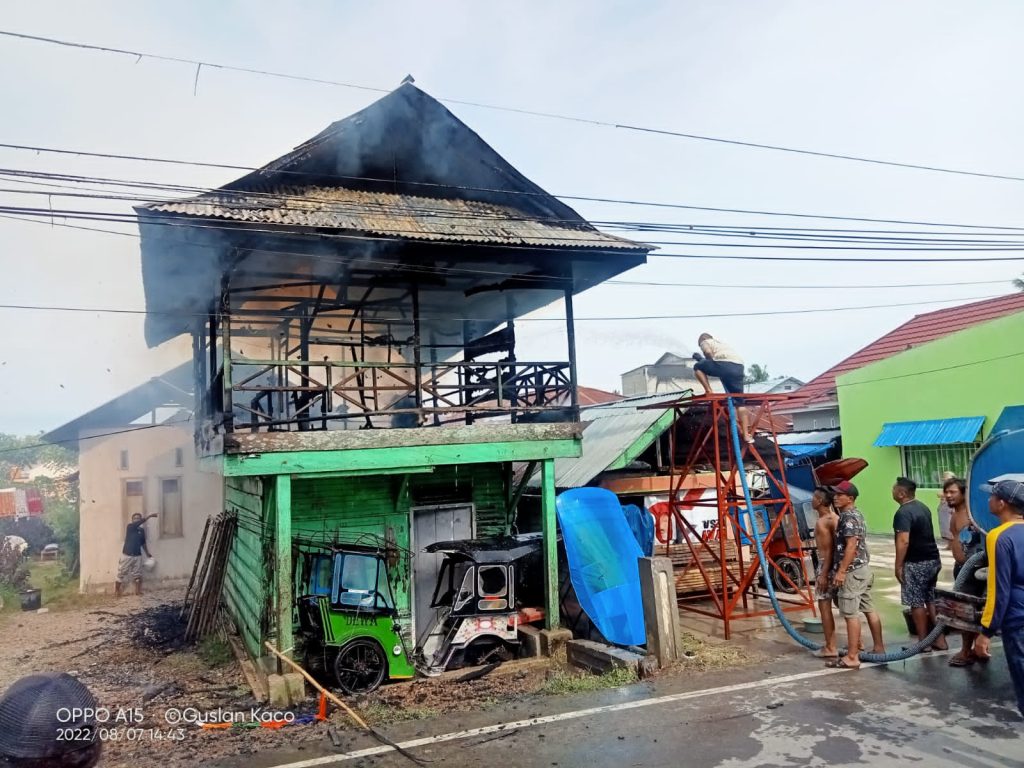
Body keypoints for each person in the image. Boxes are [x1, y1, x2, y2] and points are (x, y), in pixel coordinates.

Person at [974, 479, 1024, 719]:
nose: (989, 500)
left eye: (992, 497)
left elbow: (998, 589)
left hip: (1017, 620)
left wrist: (986, 631)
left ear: (1002, 504)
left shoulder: (998, 536)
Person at [828, 481, 885, 668]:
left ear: (850, 498)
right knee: (868, 608)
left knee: (850, 613)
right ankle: (878, 647)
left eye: (839, 494)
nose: (835, 497)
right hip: (863, 569)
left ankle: (852, 657)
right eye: (835, 494)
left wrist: (842, 571)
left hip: (853, 572)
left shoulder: (848, 518)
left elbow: (851, 545)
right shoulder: (855, 514)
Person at [892, 477, 947, 651]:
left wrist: (898, 565)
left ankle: (923, 642)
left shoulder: (903, 513)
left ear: (901, 493)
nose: (892, 492)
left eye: (894, 489)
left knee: (916, 602)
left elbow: (903, 541)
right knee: (930, 599)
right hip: (933, 559)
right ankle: (940, 639)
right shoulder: (923, 507)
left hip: (916, 562)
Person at [946, 476, 989, 667]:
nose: (948, 496)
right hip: (962, 569)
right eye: (946, 492)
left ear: (964, 493)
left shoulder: (974, 515)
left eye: (952, 492)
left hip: (976, 570)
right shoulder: (954, 514)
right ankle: (967, 649)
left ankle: (971, 650)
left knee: (974, 612)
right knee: (964, 612)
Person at [691, 333, 753, 443]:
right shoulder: (722, 344)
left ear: (703, 339)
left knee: (697, 367)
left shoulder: (705, 341)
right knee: (740, 403)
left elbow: (708, 353)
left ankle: (708, 390)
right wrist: (705, 360)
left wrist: (703, 360)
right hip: (738, 368)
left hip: (725, 366)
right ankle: (746, 434)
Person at [812, 486, 839, 659]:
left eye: (814, 497)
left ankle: (830, 646)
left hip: (825, 565)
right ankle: (857, 643)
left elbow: (829, 550)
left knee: (824, 606)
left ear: (821, 501)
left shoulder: (823, 522)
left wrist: (823, 573)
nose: (811, 500)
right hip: (836, 566)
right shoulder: (836, 518)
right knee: (846, 607)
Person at [115, 512, 157, 596]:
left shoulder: (141, 531)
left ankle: (137, 591)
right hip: (127, 555)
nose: (137, 519)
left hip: (137, 555)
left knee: (137, 574)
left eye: (138, 518)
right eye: (135, 518)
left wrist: (147, 553)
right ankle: (116, 591)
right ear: (132, 520)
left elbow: (143, 543)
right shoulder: (130, 527)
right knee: (121, 573)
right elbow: (138, 523)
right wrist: (149, 516)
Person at [937, 470, 956, 546]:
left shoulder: (954, 487)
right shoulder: (946, 487)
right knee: (945, 527)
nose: (945, 481)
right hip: (944, 508)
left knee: (950, 527)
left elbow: (941, 494)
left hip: (950, 508)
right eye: (944, 479)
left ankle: (953, 546)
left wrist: (943, 494)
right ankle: (949, 545)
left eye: (947, 479)